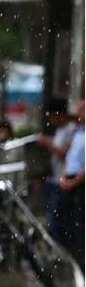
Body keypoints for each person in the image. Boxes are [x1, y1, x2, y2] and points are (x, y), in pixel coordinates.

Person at [37, 99, 76, 243]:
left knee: (57, 222)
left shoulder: (71, 129)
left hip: (63, 180)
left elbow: (65, 153)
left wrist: (48, 144)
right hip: (53, 179)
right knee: (51, 219)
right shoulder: (59, 130)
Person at [59, 99, 85, 269]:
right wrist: (63, 177)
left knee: (80, 223)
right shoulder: (78, 132)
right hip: (69, 180)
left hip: (80, 183)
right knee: (66, 221)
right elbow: (69, 157)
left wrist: (75, 181)